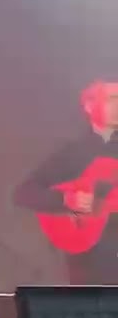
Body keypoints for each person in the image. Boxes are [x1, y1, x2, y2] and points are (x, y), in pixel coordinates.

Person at [15, 80, 118, 284]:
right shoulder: (72, 152)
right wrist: (66, 200)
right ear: (89, 106)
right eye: (112, 99)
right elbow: (24, 193)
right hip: (89, 262)